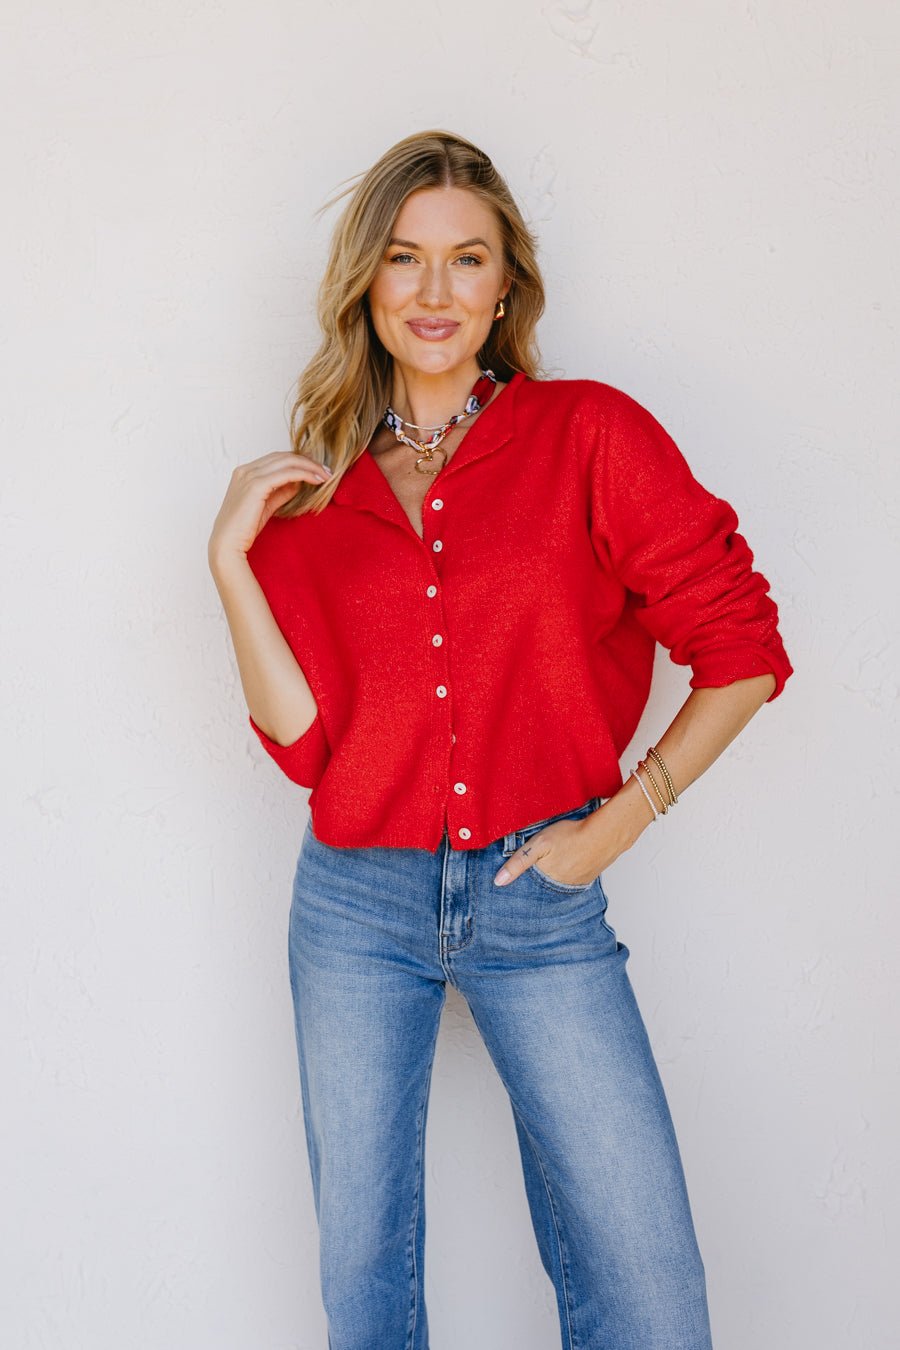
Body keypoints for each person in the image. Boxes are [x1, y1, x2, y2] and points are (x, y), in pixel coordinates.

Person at [207, 129, 793, 1350]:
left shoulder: (589, 436)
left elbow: (742, 649)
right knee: (365, 1289)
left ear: (505, 283)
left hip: (542, 897)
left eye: (465, 259)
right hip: (355, 907)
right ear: (366, 282)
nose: (433, 291)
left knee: (649, 1290)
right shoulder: (317, 498)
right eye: (404, 258)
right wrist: (229, 563)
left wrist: (612, 829)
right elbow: (307, 752)